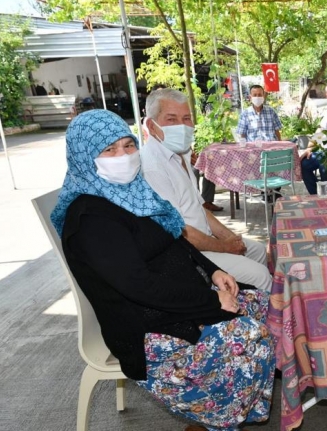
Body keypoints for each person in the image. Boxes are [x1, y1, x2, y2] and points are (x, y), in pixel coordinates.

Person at [50, 109, 275, 431]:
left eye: (128, 146)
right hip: (144, 327)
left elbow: (174, 239)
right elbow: (137, 285)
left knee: (266, 304)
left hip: (175, 303)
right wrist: (212, 303)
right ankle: (220, 418)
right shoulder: (91, 218)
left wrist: (212, 271)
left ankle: (224, 411)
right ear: (85, 156)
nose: (123, 156)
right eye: (109, 150)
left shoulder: (130, 194)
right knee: (249, 334)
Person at [140, 88, 273, 292]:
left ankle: (252, 304)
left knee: (256, 251)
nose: (182, 126)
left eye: (186, 118)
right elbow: (179, 232)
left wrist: (231, 239)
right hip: (186, 253)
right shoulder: (153, 167)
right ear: (151, 125)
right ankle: (248, 316)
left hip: (204, 239)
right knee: (261, 275)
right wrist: (224, 247)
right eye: (171, 119)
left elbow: (200, 208)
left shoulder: (180, 154)